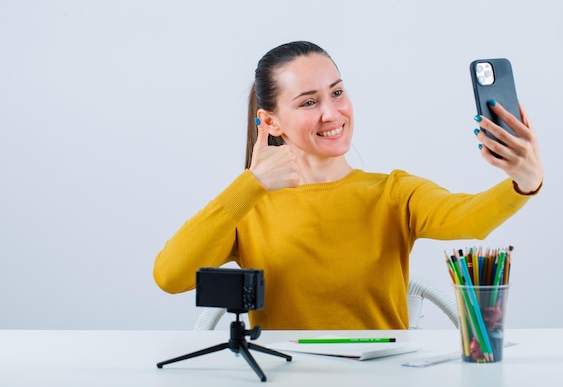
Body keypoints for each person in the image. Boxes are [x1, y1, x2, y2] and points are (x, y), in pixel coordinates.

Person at [153, 41, 543, 330]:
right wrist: (251, 184)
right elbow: (171, 276)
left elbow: (468, 218)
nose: (331, 113)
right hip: (289, 377)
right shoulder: (248, 205)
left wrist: (523, 182)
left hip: (381, 377)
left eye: (337, 93)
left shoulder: (393, 193)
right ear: (270, 122)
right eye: (308, 102)